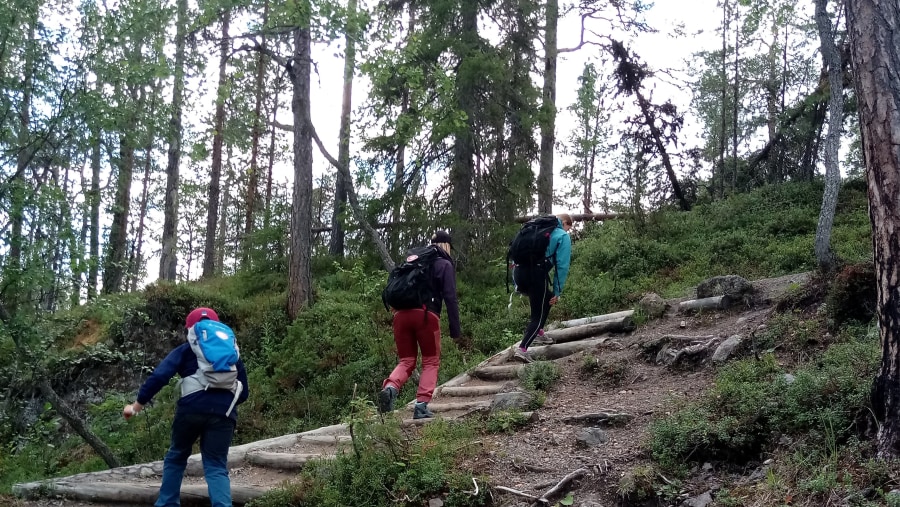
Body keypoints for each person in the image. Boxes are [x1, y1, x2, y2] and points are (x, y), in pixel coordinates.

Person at [123, 307, 249, 507]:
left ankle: (168, 503)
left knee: (177, 456)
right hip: (224, 414)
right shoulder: (232, 355)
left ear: (190, 329)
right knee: (216, 465)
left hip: (190, 410)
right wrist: (222, 405)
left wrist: (137, 405)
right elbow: (244, 392)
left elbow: (160, 376)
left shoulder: (186, 350)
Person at [378, 230, 462, 419]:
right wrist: (455, 330)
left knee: (406, 361)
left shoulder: (413, 262)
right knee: (430, 361)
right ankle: (421, 405)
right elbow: (450, 298)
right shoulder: (444, 264)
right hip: (426, 316)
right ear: (447, 246)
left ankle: (390, 387)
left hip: (400, 315)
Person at [513, 214, 573, 363]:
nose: (567, 231)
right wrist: (559, 291)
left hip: (519, 273)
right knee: (537, 315)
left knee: (547, 298)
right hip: (536, 273)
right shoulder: (561, 236)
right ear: (564, 223)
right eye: (568, 228)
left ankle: (539, 333)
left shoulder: (534, 229)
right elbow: (562, 266)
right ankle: (522, 349)